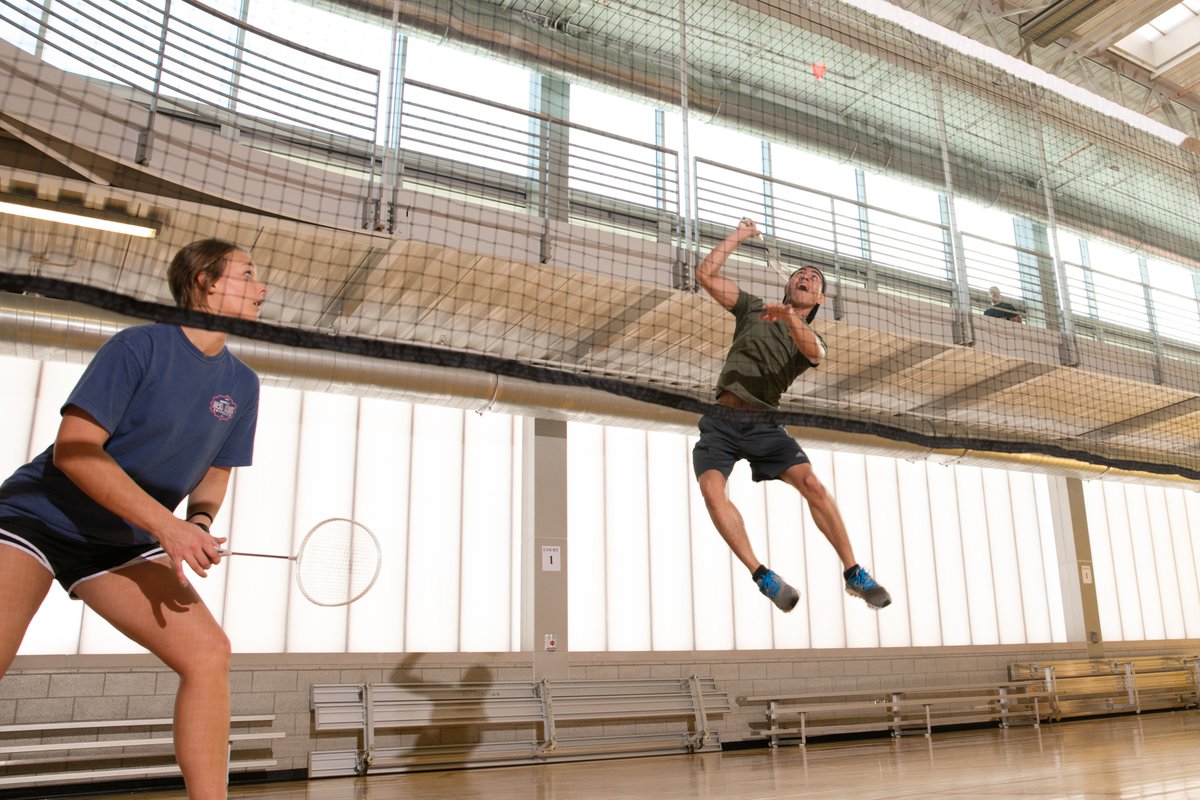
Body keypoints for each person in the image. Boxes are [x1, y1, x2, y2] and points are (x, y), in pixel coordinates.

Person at [0, 239, 267, 800]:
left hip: (122, 539)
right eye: (247, 274)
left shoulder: (242, 384)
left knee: (207, 653)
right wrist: (165, 526)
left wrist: (195, 519)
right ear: (205, 282)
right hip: (37, 520)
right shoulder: (138, 347)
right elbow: (75, 450)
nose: (262, 287)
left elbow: (216, 471)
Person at [692, 219, 890, 612]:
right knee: (712, 490)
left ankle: (854, 573)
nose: (806, 276)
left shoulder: (812, 339)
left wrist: (787, 317)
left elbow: (812, 351)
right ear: (787, 284)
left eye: (814, 279)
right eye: (801, 273)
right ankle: (761, 574)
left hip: (764, 425)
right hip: (720, 421)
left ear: (817, 300)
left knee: (813, 484)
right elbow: (704, 274)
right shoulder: (752, 307)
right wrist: (740, 235)